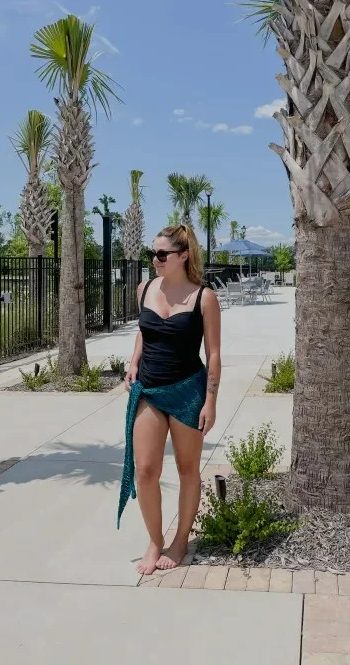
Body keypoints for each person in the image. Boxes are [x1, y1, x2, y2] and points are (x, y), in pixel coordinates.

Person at [117, 224, 221, 576]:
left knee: (188, 471)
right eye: (153, 253)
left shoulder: (204, 297)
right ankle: (153, 539)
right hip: (148, 390)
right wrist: (132, 364)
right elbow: (144, 333)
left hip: (188, 390)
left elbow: (215, 353)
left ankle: (179, 541)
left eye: (162, 254)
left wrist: (211, 401)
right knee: (145, 472)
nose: (155, 259)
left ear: (183, 256)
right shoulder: (144, 288)